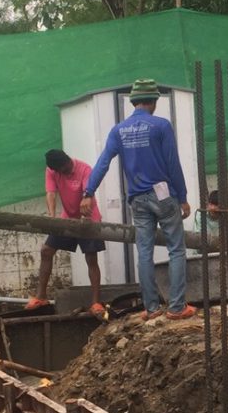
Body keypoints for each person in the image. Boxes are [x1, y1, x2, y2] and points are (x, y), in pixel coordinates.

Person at [80, 78, 196, 320]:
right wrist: (183, 197)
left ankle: (151, 308)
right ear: (153, 101)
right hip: (163, 194)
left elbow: (103, 163)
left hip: (138, 199)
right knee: (176, 249)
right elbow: (173, 165)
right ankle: (176, 307)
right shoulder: (161, 126)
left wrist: (88, 192)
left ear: (133, 102)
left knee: (144, 252)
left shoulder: (118, 130)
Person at [28, 149, 106, 316]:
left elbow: (88, 194)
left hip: (89, 218)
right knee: (46, 251)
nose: (63, 173)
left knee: (91, 258)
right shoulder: (52, 171)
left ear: (68, 161)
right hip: (67, 219)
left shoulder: (85, 169)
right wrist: (52, 218)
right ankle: (41, 297)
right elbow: (51, 193)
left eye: (64, 169)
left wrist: (86, 206)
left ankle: (96, 303)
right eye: (59, 171)